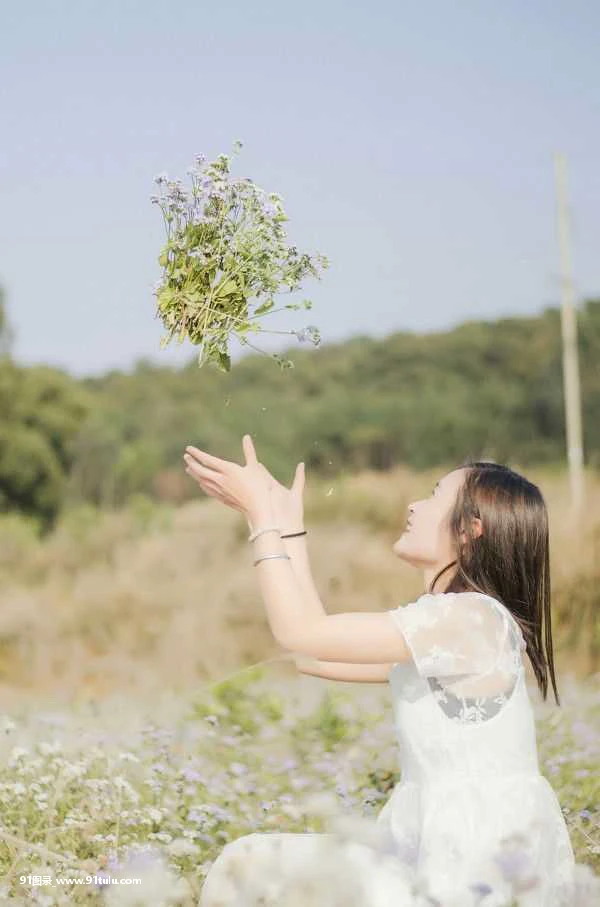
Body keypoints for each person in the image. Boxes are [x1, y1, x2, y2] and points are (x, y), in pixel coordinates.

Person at [186, 446, 576, 906]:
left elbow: (302, 633)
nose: (414, 506)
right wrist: (283, 525)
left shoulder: (472, 622)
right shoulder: (455, 626)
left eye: (434, 496)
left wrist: (261, 518)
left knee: (246, 862)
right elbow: (313, 652)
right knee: (252, 863)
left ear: (471, 530)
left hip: (468, 873)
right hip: (441, 860)